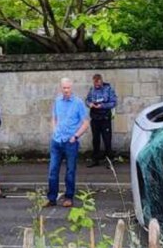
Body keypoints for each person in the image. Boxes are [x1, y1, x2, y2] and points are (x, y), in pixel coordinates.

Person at [45, 78, 89, 208]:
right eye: (64, 88)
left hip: (70, 142)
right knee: (53, 171)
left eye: (68, 88)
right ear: (60, 88)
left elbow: (86, 123)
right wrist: (54, 131)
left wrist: (75, 136)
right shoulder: (57, 101)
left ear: (72, 88)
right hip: (57, 141)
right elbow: (54, 118)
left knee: (70, 171)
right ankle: (52, 198)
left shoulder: (78, 103)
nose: (66, 90)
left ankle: (69, 197)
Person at [85, 73, 118, 167]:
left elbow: (113, 103)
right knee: (95, 140)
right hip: (95, 118)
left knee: (107, 140)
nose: (97, 86)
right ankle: (95, 160)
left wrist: (102, 105)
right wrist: (90, 104)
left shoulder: (108, 89)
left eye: (98, 84)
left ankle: (110, 161)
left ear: (101, 81)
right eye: (95, 85)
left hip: (105, 118)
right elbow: (87, 100)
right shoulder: (92, 90)